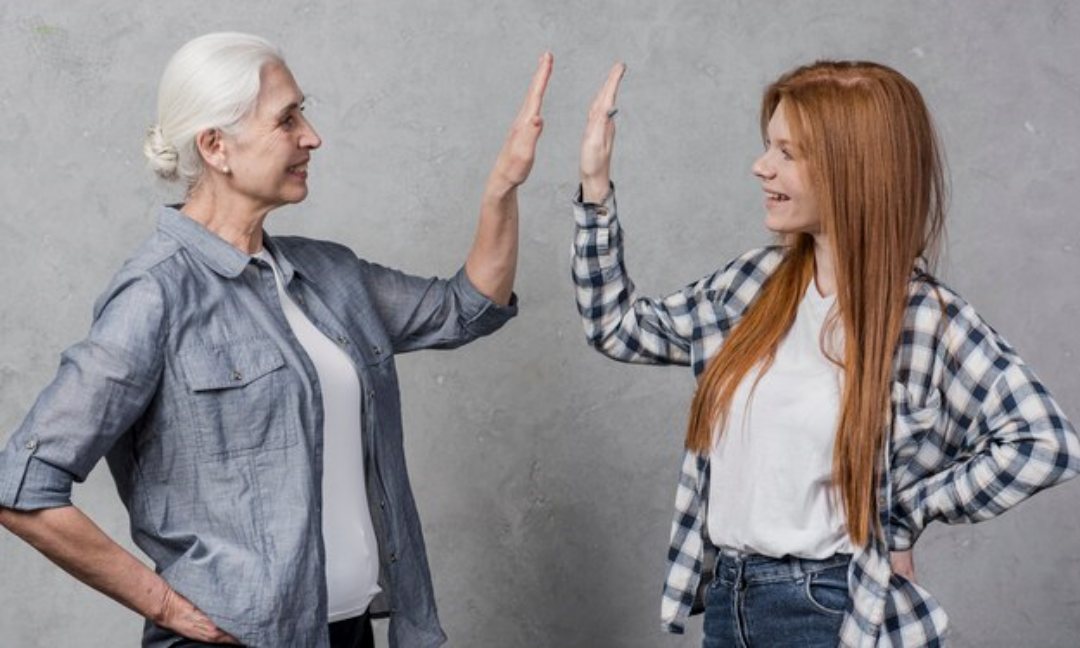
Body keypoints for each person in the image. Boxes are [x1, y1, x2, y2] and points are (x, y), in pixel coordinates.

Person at [0, 32, 552, 648]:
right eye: (287, 119)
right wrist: (168, 606)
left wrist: (503, 187)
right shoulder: (156, 296)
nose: (311, 136)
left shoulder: (332, 276)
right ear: (216, 146)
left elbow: (466, 308)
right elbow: (23, 488)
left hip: (349, 633)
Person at [572, 60, 1079, 646]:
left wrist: (901, 513)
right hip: (727, 600)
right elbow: (616, 327)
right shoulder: (753, 285)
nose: (761, 167)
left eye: (788, 152)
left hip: (825, 611)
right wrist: (594, 187)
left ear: (852, 169)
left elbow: (1046, 444)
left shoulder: (923, 319)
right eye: (769, 147)